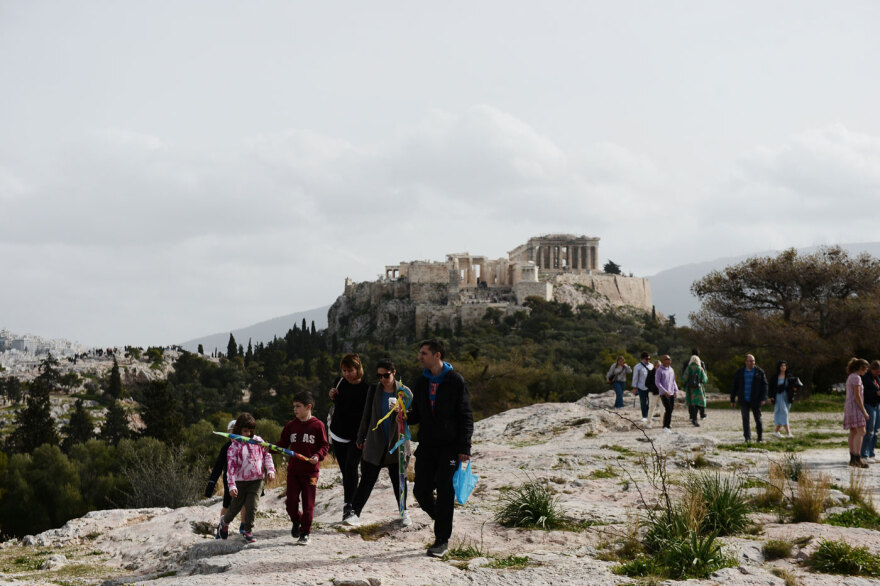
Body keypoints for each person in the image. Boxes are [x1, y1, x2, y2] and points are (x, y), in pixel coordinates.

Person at [406, 339, 474, 558]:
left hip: (450, 447)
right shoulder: (421, 382)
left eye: (424, 353)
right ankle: (443, 519)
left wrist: (464, 446)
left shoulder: (455, 381)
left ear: (437, 356)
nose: (420, 357)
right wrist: (403, 416)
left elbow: (465, 415)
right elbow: (416, 414)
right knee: (420, 491)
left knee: (446, 492)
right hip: (427, 446)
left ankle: (442, 540)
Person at [345, 358, 413, 527]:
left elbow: (413, 417)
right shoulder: (374, 390)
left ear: (394, 372)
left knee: (399, 480)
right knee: (367, 479)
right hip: (376, 442)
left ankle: (404, 513)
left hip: (397, 443)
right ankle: (355, 513)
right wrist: (361, 438)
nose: (382, 379)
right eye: (379, 375)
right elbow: (366, 415)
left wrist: (402, 412)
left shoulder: (405, 392)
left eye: (386, 375)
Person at [278, 390, 330, 545]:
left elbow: (324, 445)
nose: (295, 410)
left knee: (308, 504)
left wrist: (317, 456)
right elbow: (282, 444)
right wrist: (270, 448)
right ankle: (297, 521)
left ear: (308, 407)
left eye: (298, 406)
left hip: (310, 474)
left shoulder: (318, 425)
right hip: (293, 472)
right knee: (291, 503)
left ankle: (305, 533)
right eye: (293, 406)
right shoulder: (291, 426)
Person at [215, 413, 276, 543]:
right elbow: (230, 468)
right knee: (235, 507)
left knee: (251, 506)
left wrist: (270, 470)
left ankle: (248, 530)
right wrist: (231, 485)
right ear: (238, 430)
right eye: (245, 431)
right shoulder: (234, 446)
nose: (248, 434)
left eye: (250, 431)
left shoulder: (258, 440)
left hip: (257, 480)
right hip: (240, 482)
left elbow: (267, 455)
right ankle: (224, 523)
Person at [328, 354, 370, 523]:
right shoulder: (339, 382)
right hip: (338, 433)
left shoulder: (367, 389)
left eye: (350, 370)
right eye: (344, 370)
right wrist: (332, 395)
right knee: (346, 471)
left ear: (358, 369)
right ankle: (349, 502)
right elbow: (339, 404)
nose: (347, 374)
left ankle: (350, 505)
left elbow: (366, 416)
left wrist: (365, 437)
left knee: (352, 467)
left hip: (356, 436)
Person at [205, 419, 248, 535]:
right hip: (229, 479)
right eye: (231, 431)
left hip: (244, 478)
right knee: (227, 504)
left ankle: (244, 526)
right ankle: (222, 527)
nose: (233, 434)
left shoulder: (246, 445)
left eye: (236, 431)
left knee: (245, 502)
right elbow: (218, 466)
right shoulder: (225, 448)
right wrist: (211, 482)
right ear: (228, 433)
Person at [731, 354, 769, 443]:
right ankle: (747, 438)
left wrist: (764, 398)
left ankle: (760, 437)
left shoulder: (759, 372)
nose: (752, 363)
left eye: (753, 361)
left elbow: (765, 386)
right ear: (746, 362)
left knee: (758, 419)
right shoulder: (740, 372)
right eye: (750, 361)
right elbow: (734, 386)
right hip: (744, 399)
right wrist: (732, 399)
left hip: (756, 399)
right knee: (745, 419)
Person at [844, 358, 870, 468]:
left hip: (849, 406)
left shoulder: (851, 376)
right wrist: (864, 411)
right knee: (861, 431)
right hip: (855, 407)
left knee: (853, 431)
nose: (866, 372)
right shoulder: (856, 378)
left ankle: (853, 458)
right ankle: (857, 457)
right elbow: (857, 395)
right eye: (865, 369)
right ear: (862, 368)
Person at [769, 360, 799, 438]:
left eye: (785, 366)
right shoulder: (775, 377)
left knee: (784, 414)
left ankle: (776, 431)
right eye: (782, 366)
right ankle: (789, 433)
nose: (783, 367)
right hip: (779, 396)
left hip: (787, 397)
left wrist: (795, 388)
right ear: (779, 367)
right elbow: (771, 387)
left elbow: (793, 385)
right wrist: (771, 396)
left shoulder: (789, 376)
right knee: (784, 414)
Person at [860, 360, 880, 463]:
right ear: (872, 369)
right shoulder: (865, 378)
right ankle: (864, 454)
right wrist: (876, 393)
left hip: (877, 405)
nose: (878, 373)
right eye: (877, 371)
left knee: (876, 431)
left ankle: (871, 453)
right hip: (869, 405)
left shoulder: (876, 378)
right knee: (869, 430)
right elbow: (864, 393)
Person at [681, 356, 708, 427]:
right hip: (698, 388)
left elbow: (684, 379)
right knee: (698, 403)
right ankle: (696, 418)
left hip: (690, 388)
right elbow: (704, 380)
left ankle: (693, 418)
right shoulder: (700, 368)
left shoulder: (688, 368)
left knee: (692, 404)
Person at [654, 355, 678, 433]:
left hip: (671, 392)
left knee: (671, 409)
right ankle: (665, 427)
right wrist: (664, 391)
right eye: (667, 359)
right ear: (663, 360)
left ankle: (668, 425)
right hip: (664, 393)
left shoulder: (671, 369)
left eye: (670, 359)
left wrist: (675, 391)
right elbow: (657, 382)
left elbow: (673, 381)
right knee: (668, 409)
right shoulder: (659, 370)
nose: (669, 360)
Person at [631, 352, 653, 423]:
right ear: (643, 359)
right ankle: (644, 416)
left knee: (650, 402)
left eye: (649, 359)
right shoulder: (637, 367)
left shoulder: (652, 366)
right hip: (641, 387)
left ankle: (650, 416)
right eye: (647, 359)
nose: (648, 360)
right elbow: (635, 378)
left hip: (650, 387)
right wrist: (634, 387)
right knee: (643, 402)